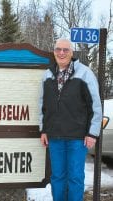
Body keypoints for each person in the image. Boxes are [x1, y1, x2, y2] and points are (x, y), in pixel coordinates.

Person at [39, 38, 102, 201]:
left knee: (75, 178)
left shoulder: (85, 73)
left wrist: (92, 133)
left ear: (72, 53)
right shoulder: (47, 75)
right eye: (58, 49)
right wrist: (43, 130)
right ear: (54, 52)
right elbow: (42, 105)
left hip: (78, 137)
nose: (61, 53)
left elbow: (95, 105)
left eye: (65, 50)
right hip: (55, 137)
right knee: (57, 177)